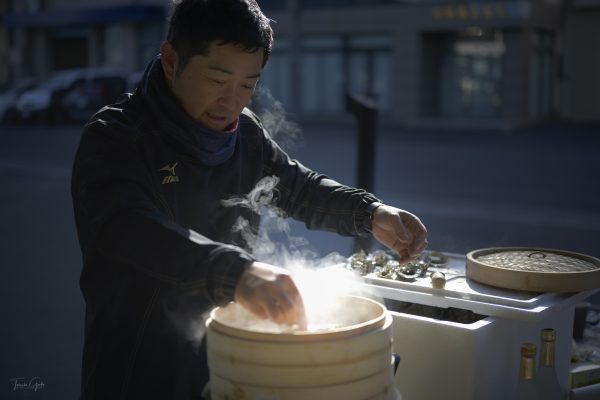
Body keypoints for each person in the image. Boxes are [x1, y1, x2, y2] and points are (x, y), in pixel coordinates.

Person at [71, 0, 428, 398]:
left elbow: (297, 188)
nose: (232, 102)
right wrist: (238, 274)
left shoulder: (246, 136)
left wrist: (369, 212)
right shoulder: (114, 137)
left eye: (247, 84)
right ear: (172, 60)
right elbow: (131, 231)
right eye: (218, 80)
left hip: (229, 358)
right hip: (137, 369)